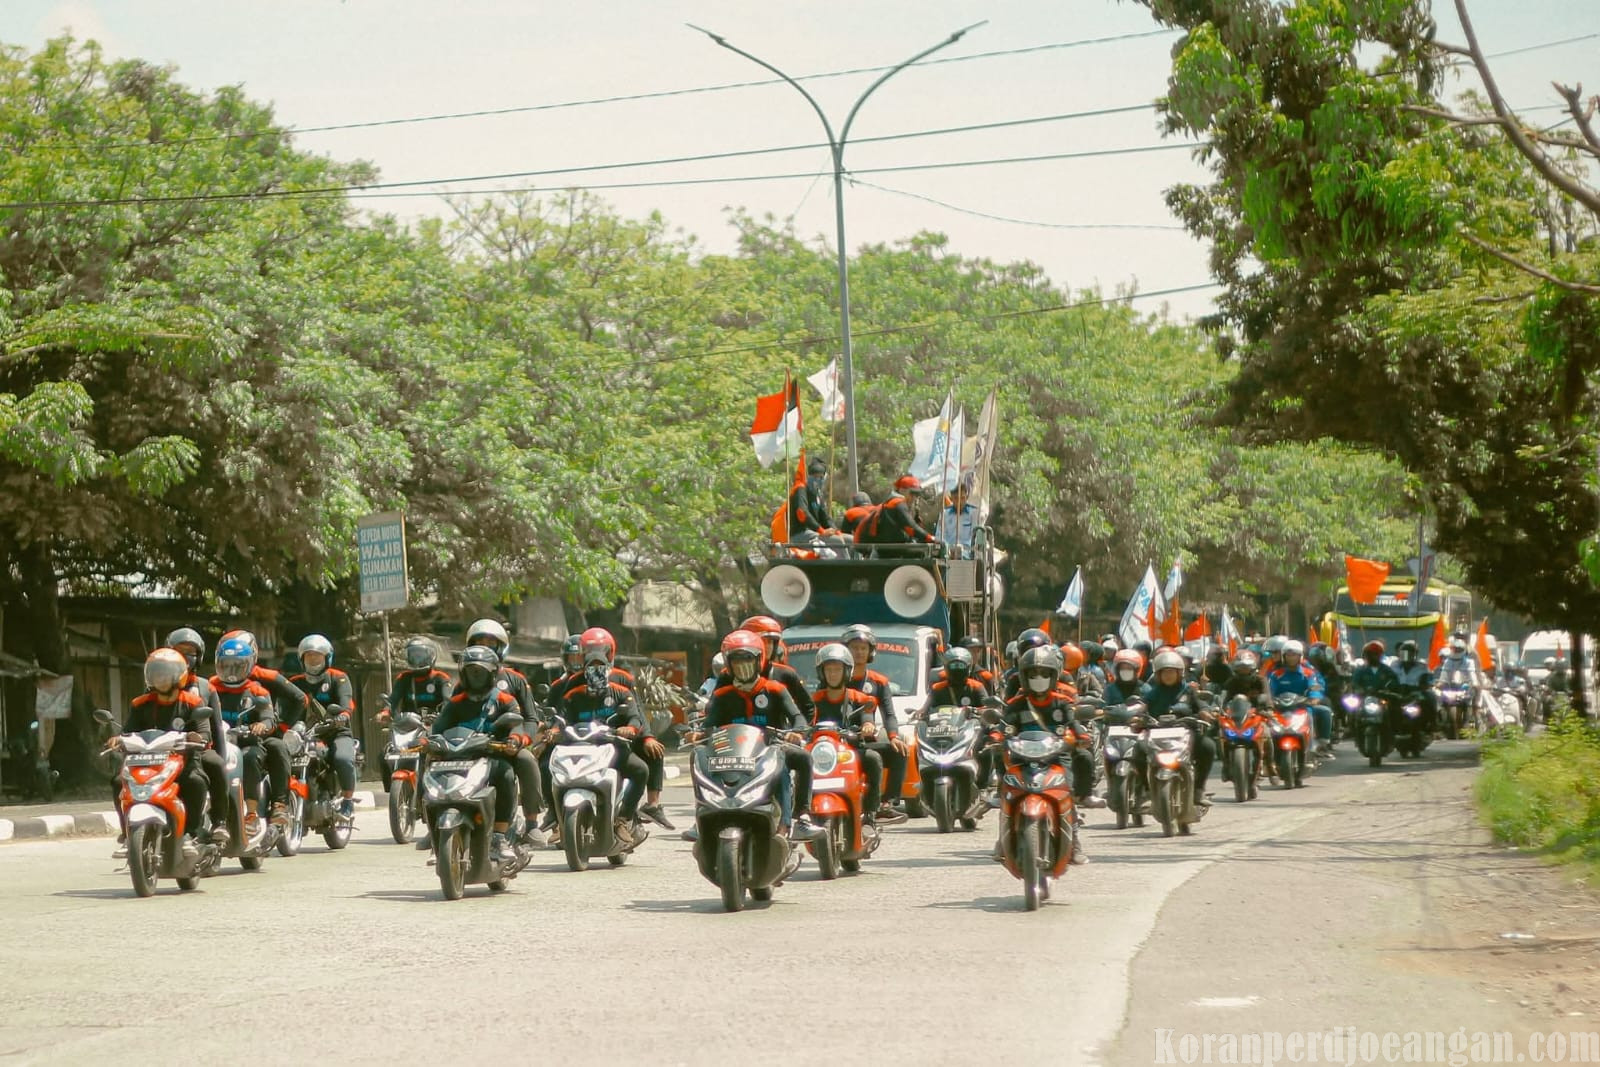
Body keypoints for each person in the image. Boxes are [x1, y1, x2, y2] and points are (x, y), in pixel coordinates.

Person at [693, 630, 818, 838]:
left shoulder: (776, 689)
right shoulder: (723, 694)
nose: (742, 668)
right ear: (728, 664)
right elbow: (710, 723)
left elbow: (797, 716)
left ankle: (796, 820)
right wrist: (698, 734)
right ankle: (702, 815)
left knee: (797, 761)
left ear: (759, 661)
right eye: (736, 662)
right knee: (698, 755)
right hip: (732, 751)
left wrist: (796, 732)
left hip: (771, 747)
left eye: (748, 661)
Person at [108, 649, 228, 857]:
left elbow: (204, 732)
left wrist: (195, 738)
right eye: (156, 673)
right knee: (119, 782)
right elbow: (128, 732)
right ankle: (128, 834)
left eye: (165, 673)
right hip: (146, 762)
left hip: (182, 761)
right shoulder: (141, 704)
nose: (160, 678)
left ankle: (191, 832)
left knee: (195, 782)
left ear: (179, 675)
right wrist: (119, 739)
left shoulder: (193, 702)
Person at [991, 644, 1096, 864]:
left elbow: (1073, 722)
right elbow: (1005, 725)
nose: (1038, 678)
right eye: (1033, 674)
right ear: (1024, 676)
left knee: (1066, 788)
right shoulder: (1016, 704)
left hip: (1056, 756)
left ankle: (1074, 841)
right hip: (1021, 756)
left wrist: (1081, 736)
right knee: (1008, 790)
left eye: (1044, 674)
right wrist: (996, 737)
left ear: (1053, 675)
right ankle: (1003, 837)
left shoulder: (1061, 702)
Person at [547, 633, 650, 849]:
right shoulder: (572, 693)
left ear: (607, 667)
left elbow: (634, 716)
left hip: (612, 747)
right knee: (547, 767)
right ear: (584, 669)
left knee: (641, 770)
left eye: (600, 666)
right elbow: (561, 717)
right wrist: (555, 730)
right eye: (590, 667)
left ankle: (623, 819)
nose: (595, 671)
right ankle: (557, 820)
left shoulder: (621, 691)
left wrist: (629, 729)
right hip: (579, 747)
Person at [432, 645, 526, 863]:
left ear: (492, 674)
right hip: (459, 758)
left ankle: (499, 836)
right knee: (429, 768)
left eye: (480, 672)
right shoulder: (455, 703)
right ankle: (433, 830)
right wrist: (426, 741)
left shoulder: (504, 700)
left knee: (506, 774)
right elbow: (437, 728)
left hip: (491, 756)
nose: (475, 677)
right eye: (470, 671)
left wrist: (514, 739)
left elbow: (516, 725)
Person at [809, 643, 907, 826]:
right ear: (821, 672)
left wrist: (868, 725)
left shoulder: (859, 698)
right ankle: (801, 811)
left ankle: (872, 812)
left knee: (873, 759)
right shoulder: (814, 700)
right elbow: (804, 722)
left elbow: (867, 715)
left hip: (852, 750)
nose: (832, 674)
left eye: (837, 669)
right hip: (822, 752)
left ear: (846, 672)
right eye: (828, 670)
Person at [211, 632, 294, 833]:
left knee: (250, 758)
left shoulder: (257, 691)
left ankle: (252, 814)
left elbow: (268, 716)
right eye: (226, 665)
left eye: (237, 666)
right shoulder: (210, 687)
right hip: (218, 743)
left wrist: (262, 726)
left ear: (248, 665)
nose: (231, 671)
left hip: (248, 743)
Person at [164, 627, 228, 845]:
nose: (184, 657)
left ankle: (219, 821)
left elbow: (216, 728)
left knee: (217, 765)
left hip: (197, 749)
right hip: (162, 751)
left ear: (198, 657)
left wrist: (221, 754)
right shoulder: (157, 683)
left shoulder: (205, 687)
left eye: (190, 653)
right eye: (179, 651)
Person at [287, 634, 360, 818]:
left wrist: (343, 715)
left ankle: (348, 801)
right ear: (301, 659)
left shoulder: (338, 678)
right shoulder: (295, 682)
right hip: (304, 735)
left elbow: (347, 702)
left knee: (343, 758)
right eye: (309, 656)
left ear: (327, 658)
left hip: (336, 731)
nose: (313, 660)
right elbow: (282, 705)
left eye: (317, 656)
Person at [840, 623, 909, 811]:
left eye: (863, 648)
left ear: (871, 652)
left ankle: (887, 803)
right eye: (854, 648)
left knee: (900, 750)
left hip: (866, 741)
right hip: (838, 740)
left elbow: (888, 713)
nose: (859, 653)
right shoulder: (835, 676)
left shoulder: (880, 681)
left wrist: (894, 736)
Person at [1138, 648, 1215, 807]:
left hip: (1185, 735)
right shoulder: (1153, 693)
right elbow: (1142, 705)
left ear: (1180, 673)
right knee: (1137, 750)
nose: (1168, 675)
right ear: (1158, 674)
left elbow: (1201, 705)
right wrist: (1136, 716)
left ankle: (1198, 790)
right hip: (1157, 735)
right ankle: (1145, 791)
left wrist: (1205, 712)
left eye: (1172, 672)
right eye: (1164, 672)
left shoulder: (1188, 690)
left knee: (1208, 747)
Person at [1266, 639, 1333, 756]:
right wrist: (1268, 701)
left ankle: (1316, 746)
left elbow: (1315, 687)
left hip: (1302, 706)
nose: (1291, 658)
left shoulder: (1308, 673)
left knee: (1324, 711)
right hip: (1280, 708)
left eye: (1294, 655)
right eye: (1289, 655)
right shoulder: (1276, 674)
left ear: (1300, 656)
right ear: (1284, 657)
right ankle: (1267, 753)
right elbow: (1270, 690)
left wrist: (1314, 698)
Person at [853, 475, 937, 549]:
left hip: (885, 546)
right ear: (902, 490)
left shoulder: (896, 503)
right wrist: (931, 538)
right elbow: (910, 527)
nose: (914, 497)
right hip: (879, 548)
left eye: (917, 494)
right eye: (912, 493)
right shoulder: (896, 502)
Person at [922, 647, 994, 714]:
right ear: (946, 668)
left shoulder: (976, 687)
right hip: (943, 725)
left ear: (968, 667)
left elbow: (986, 710)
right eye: (953, 666)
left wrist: (973, 710)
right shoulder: (937, 688)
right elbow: (925, 709)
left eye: (961, 665)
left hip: (969, 726)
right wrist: (919, 714)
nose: (957, 669)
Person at [1391, 640, 1439, 732]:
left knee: (1431, 696)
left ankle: (1432, 723)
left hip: (1416, 692)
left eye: (1409, 654)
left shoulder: (1422, 667)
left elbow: (1428, 679)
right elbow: (1389, 677)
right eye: (1404, 654)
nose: (1406, 657)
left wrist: (1425, 684)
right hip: (1398, 692)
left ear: (1414, 655)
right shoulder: (1394, 665)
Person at [786, 457, 836, 541]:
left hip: (814, 533)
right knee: (837, 541)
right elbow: (801, 513)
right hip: (800, 533)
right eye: (815, 476)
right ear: (808, 476)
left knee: (848, 540)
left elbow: (824, 517)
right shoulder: (800, 489)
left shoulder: (818, 494)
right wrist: (821, 530)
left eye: (820, 477)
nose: (817, 480)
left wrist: (835, 530)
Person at [936, 477, 979, 553]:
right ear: (951, 498)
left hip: (967, 553)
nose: (960, 502)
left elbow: (975, 537)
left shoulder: (974, 513)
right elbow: (939, 535)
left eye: (962, 498)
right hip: (948, 552)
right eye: (956, 498)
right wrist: (948, 547)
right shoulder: (944, 514)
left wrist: (962, 548)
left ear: (966, 497)